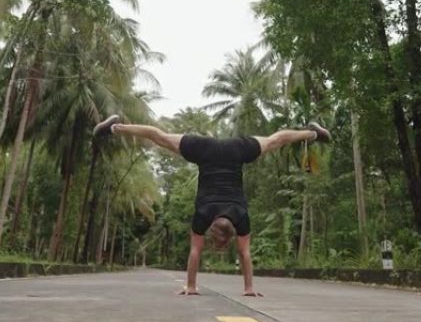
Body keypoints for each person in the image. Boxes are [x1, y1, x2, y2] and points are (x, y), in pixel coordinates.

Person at [93, 115, 330, 296]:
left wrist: (195, 286)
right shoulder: (203, 216)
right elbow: (202, 251)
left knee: (161, 137)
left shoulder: (240, 216)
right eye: (219, 243)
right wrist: (192, 286)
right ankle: (312, 134)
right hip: (216, 152)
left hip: (222, 151)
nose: (218, 246)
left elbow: (243, 253)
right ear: (216, 233)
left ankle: (116, 127)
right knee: (275, 140)